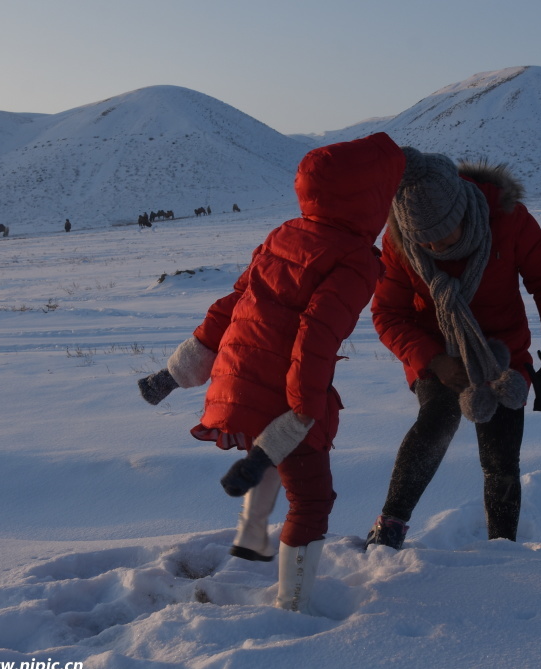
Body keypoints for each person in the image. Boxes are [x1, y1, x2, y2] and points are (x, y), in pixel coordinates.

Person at [138, 132, 405, 614]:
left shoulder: (287, 232)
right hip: (278, 390)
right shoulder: (355, 260)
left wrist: (177, 372)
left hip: (237, 376)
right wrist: (304, 410)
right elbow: (316, 335)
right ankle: (292, 605)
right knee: (312, 498)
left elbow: (232, 302)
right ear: (372, 200)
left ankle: (254, 538)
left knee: (285, 471)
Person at [363, 148, 541, 550]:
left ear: (463, 207)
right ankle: (389, 525)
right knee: (437, 419)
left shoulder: (508, 217)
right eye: (425, 240)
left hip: (503, 355)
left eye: (446, 232)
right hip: (438, 352)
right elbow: (389, 315)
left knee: (501, 458)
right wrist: (434, 360)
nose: (438, 245)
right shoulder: (399, 243)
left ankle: (501, 546)